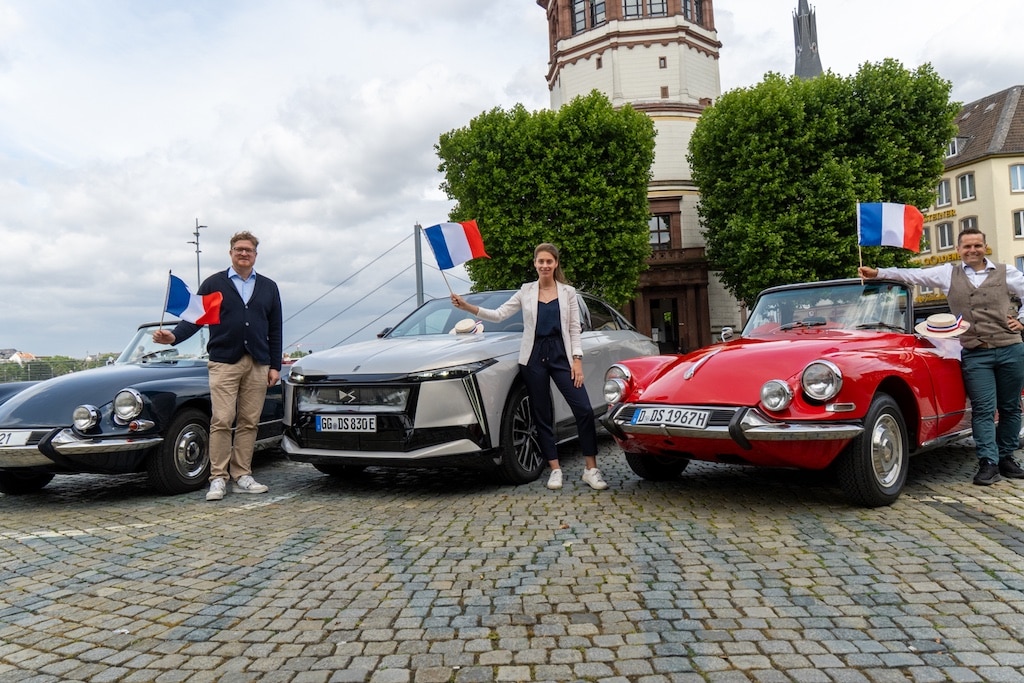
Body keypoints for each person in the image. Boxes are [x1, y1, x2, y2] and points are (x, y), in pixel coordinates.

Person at [858, 227, 1024, 486]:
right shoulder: (949, 273)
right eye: (967, 246)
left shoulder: (1006, 272)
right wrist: (878, 273)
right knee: (982, 409)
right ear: (959, 250)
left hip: (1010, 348)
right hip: (975, 352)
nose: (972, 250)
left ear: (985, 247)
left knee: (1011, 406)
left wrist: (1022, 321)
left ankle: (1006, 457)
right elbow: (914, 275)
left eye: (977, 245)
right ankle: (988, 463)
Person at [450, 243, 607, 491]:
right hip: (533, 358)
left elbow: (574, 329)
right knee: (541, 415)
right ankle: (555, 469)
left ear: (555, 264)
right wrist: (467, 307)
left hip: (561, 355)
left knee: (584, 409)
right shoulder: (526, 291)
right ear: (535, 264)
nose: (545, 265)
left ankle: (591, 469)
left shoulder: (568, 292)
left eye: (549, 261)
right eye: (540, 261)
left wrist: (577, 360)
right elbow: (500, 314)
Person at [153, 231, 283, 501]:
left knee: (249, 422)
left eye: (248, 250)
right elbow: (194, 318)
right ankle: (218, 478)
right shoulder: (214, 283)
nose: (243, 253)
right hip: (224, 362)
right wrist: (174, 336)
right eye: (238, 249)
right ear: (231, 253)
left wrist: (274, 365)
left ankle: (242, 475)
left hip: (258, 362)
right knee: (222, 420)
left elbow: (275, 328)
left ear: (255, 255)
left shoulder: (269, 287)